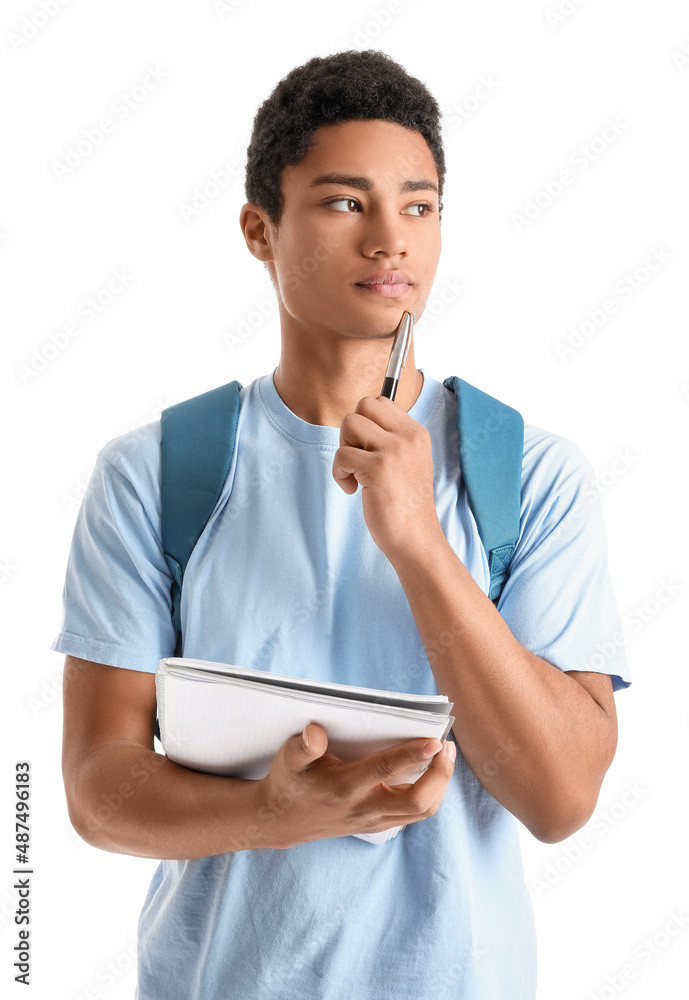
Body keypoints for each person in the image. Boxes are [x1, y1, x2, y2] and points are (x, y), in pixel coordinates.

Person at [53, 49, 632, 1000]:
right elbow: (96, 797)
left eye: (418, 205)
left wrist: (414, 538)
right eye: (342, 202)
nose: (389, 241)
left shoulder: (527, 475)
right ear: (258, 229)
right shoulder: (155, 475)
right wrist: (275, 812)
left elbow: (561, 797)